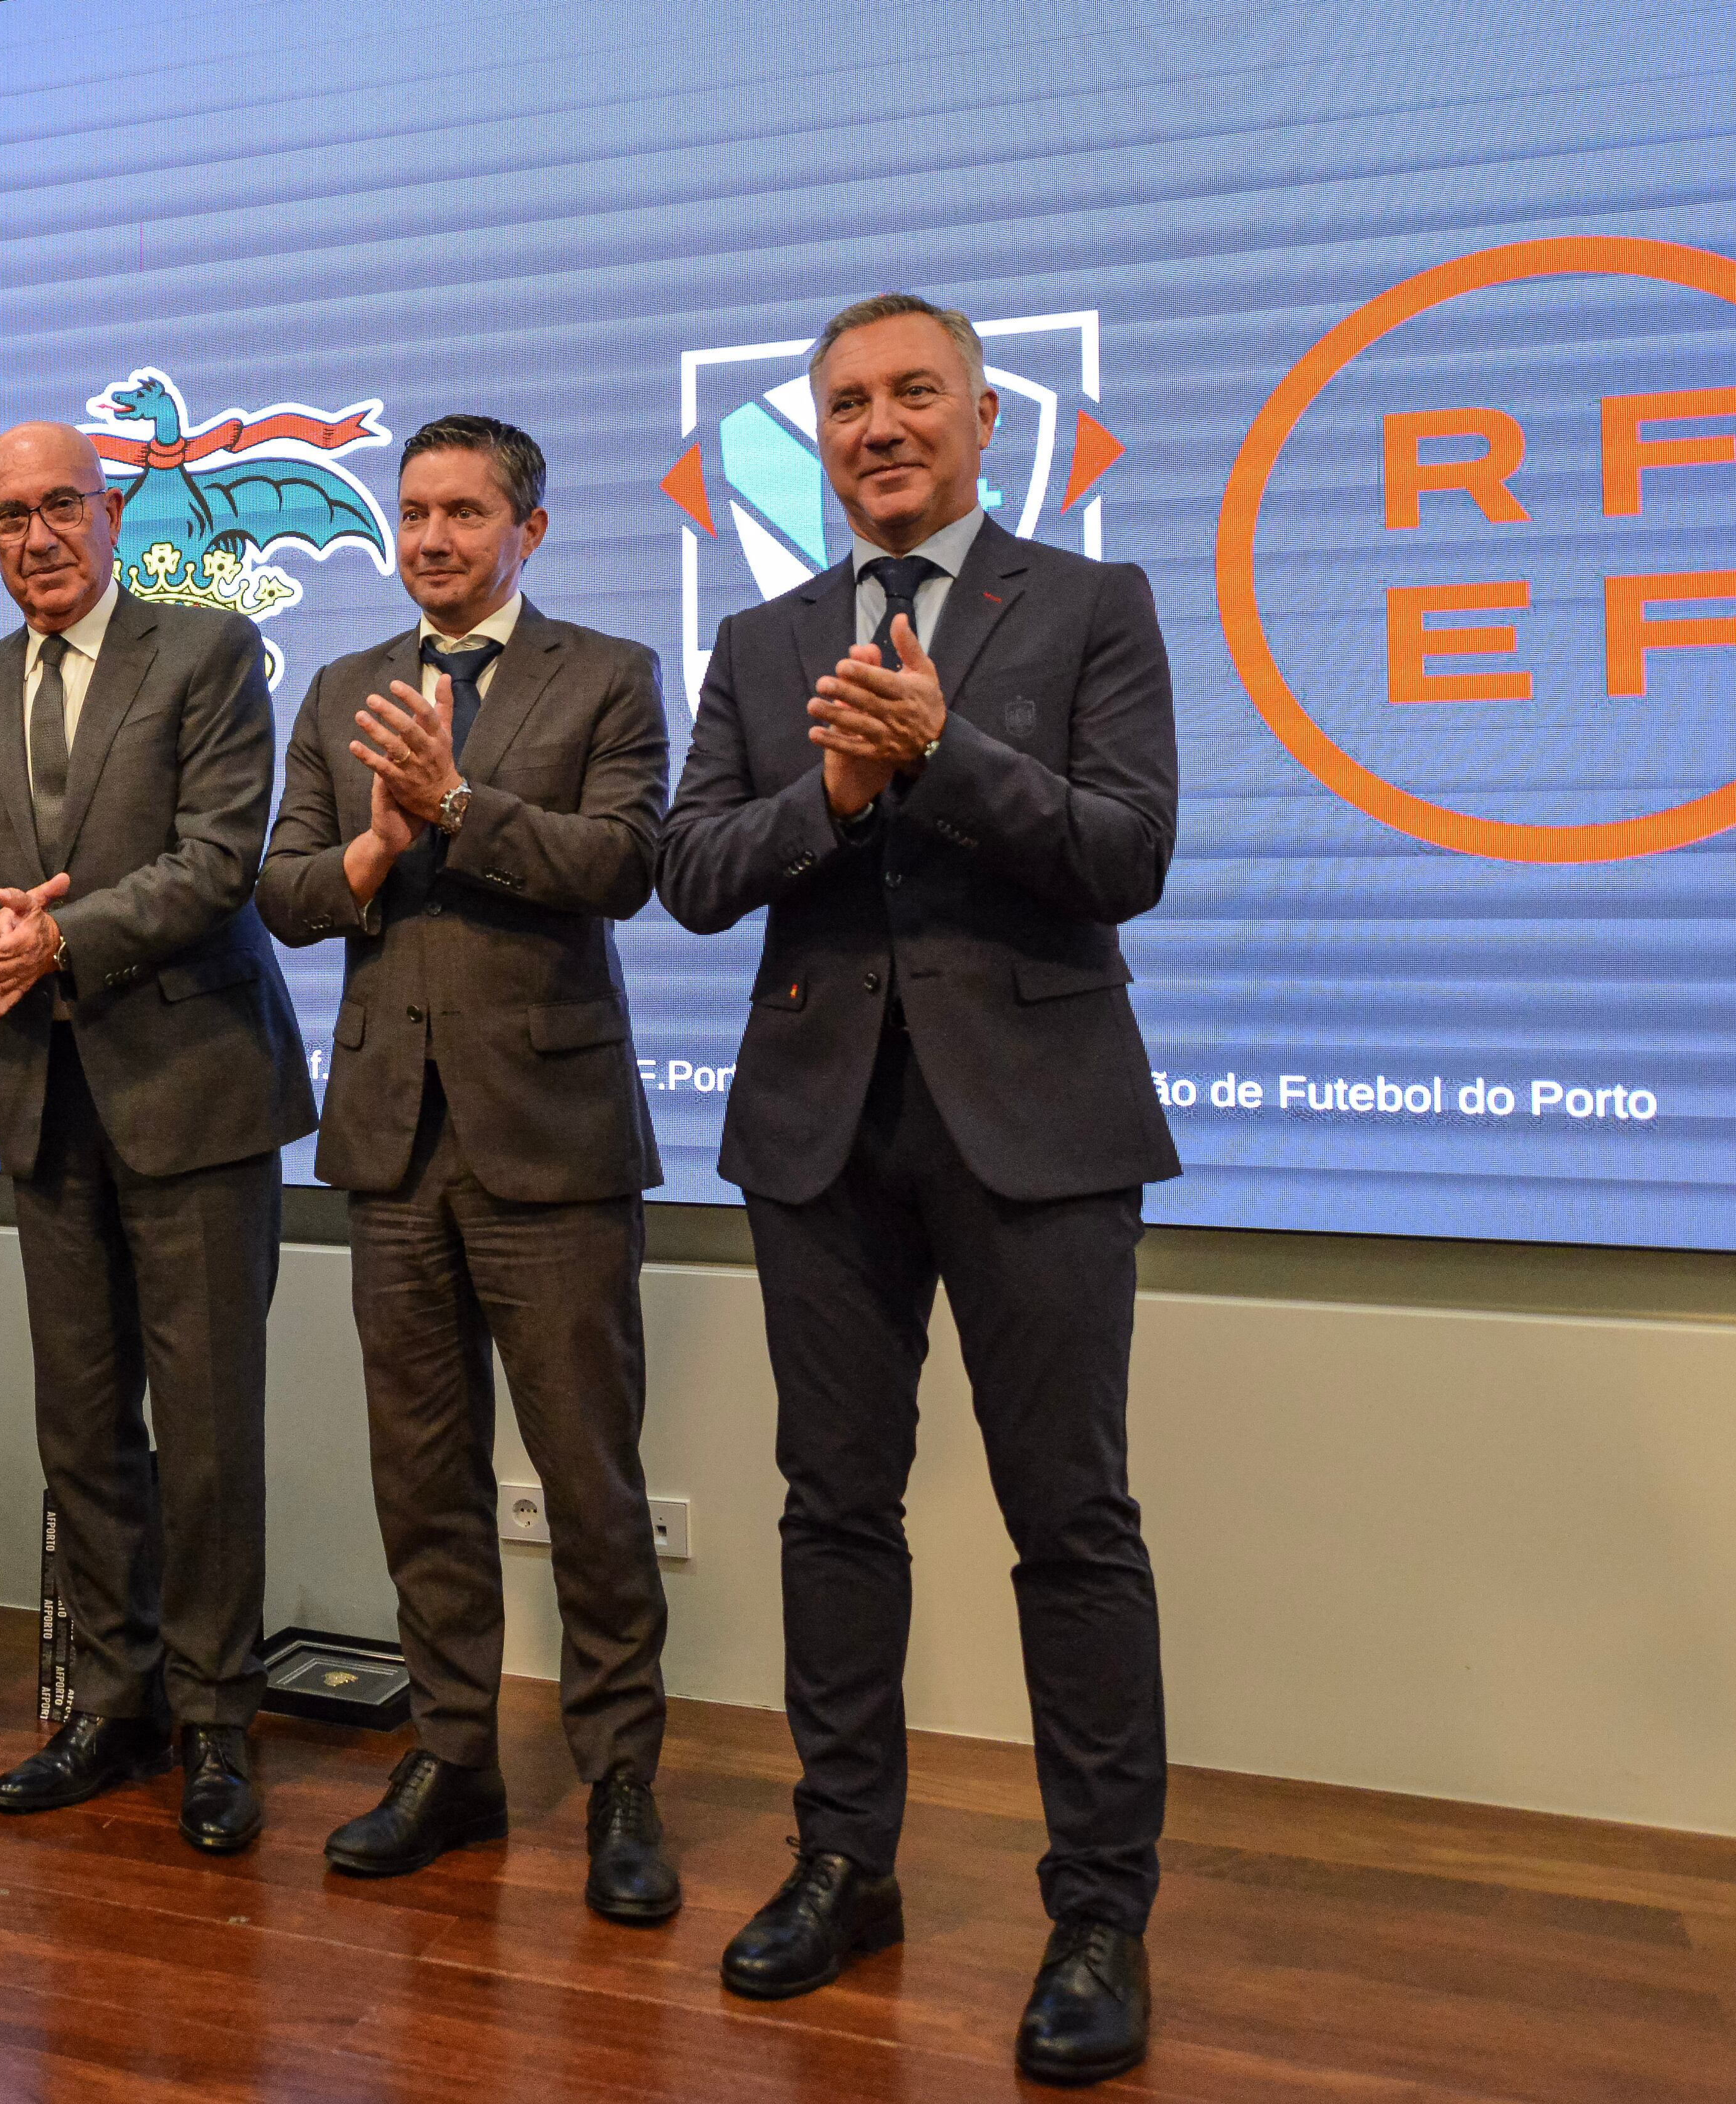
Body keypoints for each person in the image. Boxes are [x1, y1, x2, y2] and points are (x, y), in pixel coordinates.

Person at [657, 293, 1179, 2086]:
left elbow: (1129, 852)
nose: (881, 425)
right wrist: (839, 784)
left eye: (914, 395)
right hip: (820, 1131)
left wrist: (943, 755)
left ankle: (1101, 1912)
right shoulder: (761, 635)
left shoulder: (1092, 605)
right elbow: (697, 871)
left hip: (1038, 1124)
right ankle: (843, 1861)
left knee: (1073, 1524)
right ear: (819, 431)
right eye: (849, 402)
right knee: (832, 1510)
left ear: (978, 417)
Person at [255, 414, 678, 1921]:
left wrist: (453, 808)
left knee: (588, 1483)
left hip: (551, 1147)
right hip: (391, 1145)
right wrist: (373, 851)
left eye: (465, 513)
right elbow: (287, 892)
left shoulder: (609, 675)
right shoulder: (339, 685)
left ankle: (623, 1774)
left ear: (530, 532)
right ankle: (452, 1756)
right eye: (415, 511)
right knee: (421, 1480)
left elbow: (624, 864)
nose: (433, 537)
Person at [0, 419, 316, 1856]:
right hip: (45, 1103)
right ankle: (114, 1701)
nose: (35, 538)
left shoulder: (205, 652)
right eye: (8, 516)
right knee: (85, 1430)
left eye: (60, 507)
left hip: (197, 1093)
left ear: (113, 506)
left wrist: (53, 941)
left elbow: (216, 865)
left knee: (204, 1440)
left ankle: (216, 1724)